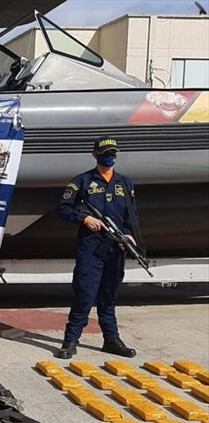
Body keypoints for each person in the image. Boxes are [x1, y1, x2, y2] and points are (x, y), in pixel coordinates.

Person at [55, 136, 139, 359]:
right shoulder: (81, 182)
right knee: (85, 294)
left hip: (115, 248)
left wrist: (130, 234)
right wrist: (84, 219)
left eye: (113, 152)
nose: (109, 156)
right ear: (95, 155)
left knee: (109, 296)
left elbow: (131, 215)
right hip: (91, 248)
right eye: (105, 153)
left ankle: (111, 339)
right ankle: (70, 341)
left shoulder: (125, 183)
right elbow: (62, 208)